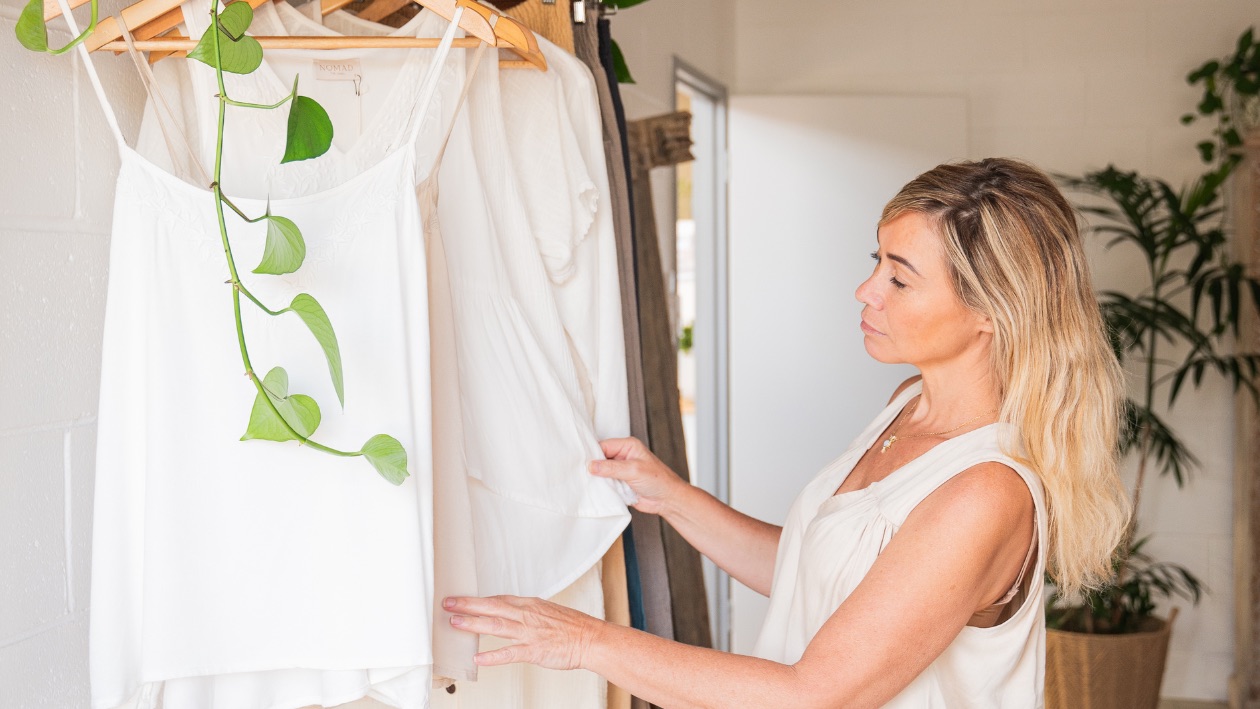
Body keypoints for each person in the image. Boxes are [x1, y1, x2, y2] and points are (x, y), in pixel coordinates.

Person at [443, 158, 1132, 707]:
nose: (866, 291)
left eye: (899, 279)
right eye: (876, 261)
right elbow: (820, 576)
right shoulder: (907, 405)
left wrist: (584, 642)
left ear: (992, 311)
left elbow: (813, 695)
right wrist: (672, 496)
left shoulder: (984, 492)